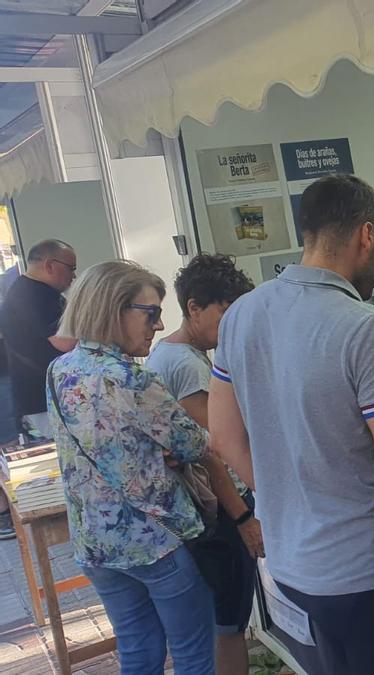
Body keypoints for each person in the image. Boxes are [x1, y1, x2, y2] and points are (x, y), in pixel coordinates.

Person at [208, 174, 374, 675]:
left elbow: (222, 436)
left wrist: (291, 493)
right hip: (370, 571)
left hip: (291, 565)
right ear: (366, 235)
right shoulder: (365, 325)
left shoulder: (241, 314)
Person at [47, 260, 214, 674]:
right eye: (152, 313)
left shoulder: (60, 370)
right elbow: (194, 443)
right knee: (193, 651)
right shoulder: (131, 379)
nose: (158, 327)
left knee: (138, 651)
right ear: (114, 309)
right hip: (154, 541)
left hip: (95, 544)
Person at [144, 253, 260, 675]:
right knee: (228, 625)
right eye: (224, 312)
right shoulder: (187, 365)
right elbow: (216, 450)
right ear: (194, 307)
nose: (231, 325)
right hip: (220, 510)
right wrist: (245, 515)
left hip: (199, 510)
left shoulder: (165, 353)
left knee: (217, 622)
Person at [0, 239, 77, 540]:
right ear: (49, 266)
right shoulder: (37, 295)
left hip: (37, 392)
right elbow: (66, 342)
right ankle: (64, 527)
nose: (73, 276)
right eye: (70, 268)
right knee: (59, 459)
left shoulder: (20, 290)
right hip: (43, 396)